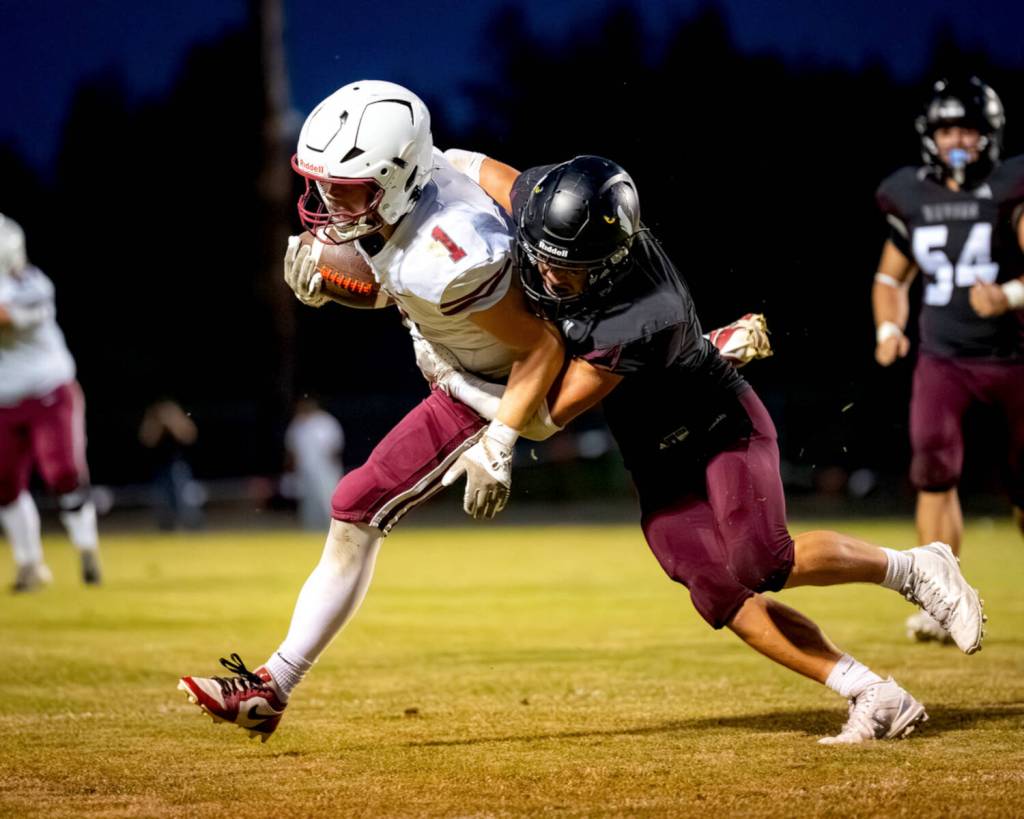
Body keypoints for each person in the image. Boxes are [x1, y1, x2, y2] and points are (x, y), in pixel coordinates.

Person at [412, 153, 985, 744]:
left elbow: (541, 419)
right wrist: (413, 168)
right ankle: (872, 692)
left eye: (571, 269)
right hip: (652, 455)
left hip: (717, 426)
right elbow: (465, 163)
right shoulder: (543, 198)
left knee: (763, 561)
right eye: (546, 256)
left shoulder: (636, 317)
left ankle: (915, 568)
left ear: (609, 263)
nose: (552, 276)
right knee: (716, 588)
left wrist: (452, 379)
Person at [177, 80, 566, 741]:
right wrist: (338, 290)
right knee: (354, 503)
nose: (327, 199)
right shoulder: (441, 169)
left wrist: (499, 439)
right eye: (322, 183)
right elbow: (410, 272)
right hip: (468, 367)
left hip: (494, 383)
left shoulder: (449, 256)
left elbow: (543, 344)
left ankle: (686, 353)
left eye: (345, 185)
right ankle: (272, 684)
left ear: (394, 176)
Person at [872, 77, 1024, 643]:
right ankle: (942, 602)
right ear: (929, 136)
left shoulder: (1010, 188)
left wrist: (1007, 295)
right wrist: (889, 325)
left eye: (967, 129)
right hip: (943, 359)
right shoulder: (910, 193)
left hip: (1013, 358)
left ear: (989, 135)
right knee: (933, 474)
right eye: (946, 129)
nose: (956, 139)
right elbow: (891, 277)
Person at [0, 213, 102, 591]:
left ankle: (87, 549)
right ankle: (30, 564)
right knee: (3, 482)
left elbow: (5, 317)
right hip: (3, 399)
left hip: (48, 391)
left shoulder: (31, 283)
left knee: (62, 473)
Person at [138, 398, 204, 531]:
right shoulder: (153, 422)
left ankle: (191, 528)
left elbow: (189, 436)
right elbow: (147, 440)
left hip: (178, 467)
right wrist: (157, 425)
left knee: (183, 500)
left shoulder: (177, 421)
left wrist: (172, 423)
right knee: (162, 502)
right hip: (160, 469)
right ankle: (167, 528)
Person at [284, 398, 345, 530]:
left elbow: (335, 447)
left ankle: (333, 530)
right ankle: (311, 530)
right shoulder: (298, 424)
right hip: (305, 470)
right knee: (309, 503)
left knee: (327, 501)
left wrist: (332, 470)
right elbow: (292, 449)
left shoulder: (325, 422)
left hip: (326, 470)